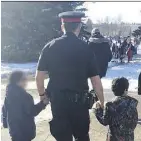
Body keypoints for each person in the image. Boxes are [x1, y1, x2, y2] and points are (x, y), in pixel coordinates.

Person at [36, 11, 104, 141]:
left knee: (62, 137)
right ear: (78, 27)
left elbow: (39, 77)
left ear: (63, 26)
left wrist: (42, 96)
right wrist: (101, 102)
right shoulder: (86, 49)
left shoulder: (49, 47)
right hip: (80, 104)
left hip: (58, 103)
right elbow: (96, 82)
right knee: (82, 136)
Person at [2, 71, 48, 141]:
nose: (26, 81)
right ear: (18, 81)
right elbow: (32, 111)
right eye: (24, 79)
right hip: (25, 130)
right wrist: (43, 103)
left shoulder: (8, 96)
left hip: (14, 131)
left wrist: (5, 123)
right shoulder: (25, 96)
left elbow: (4, 111)